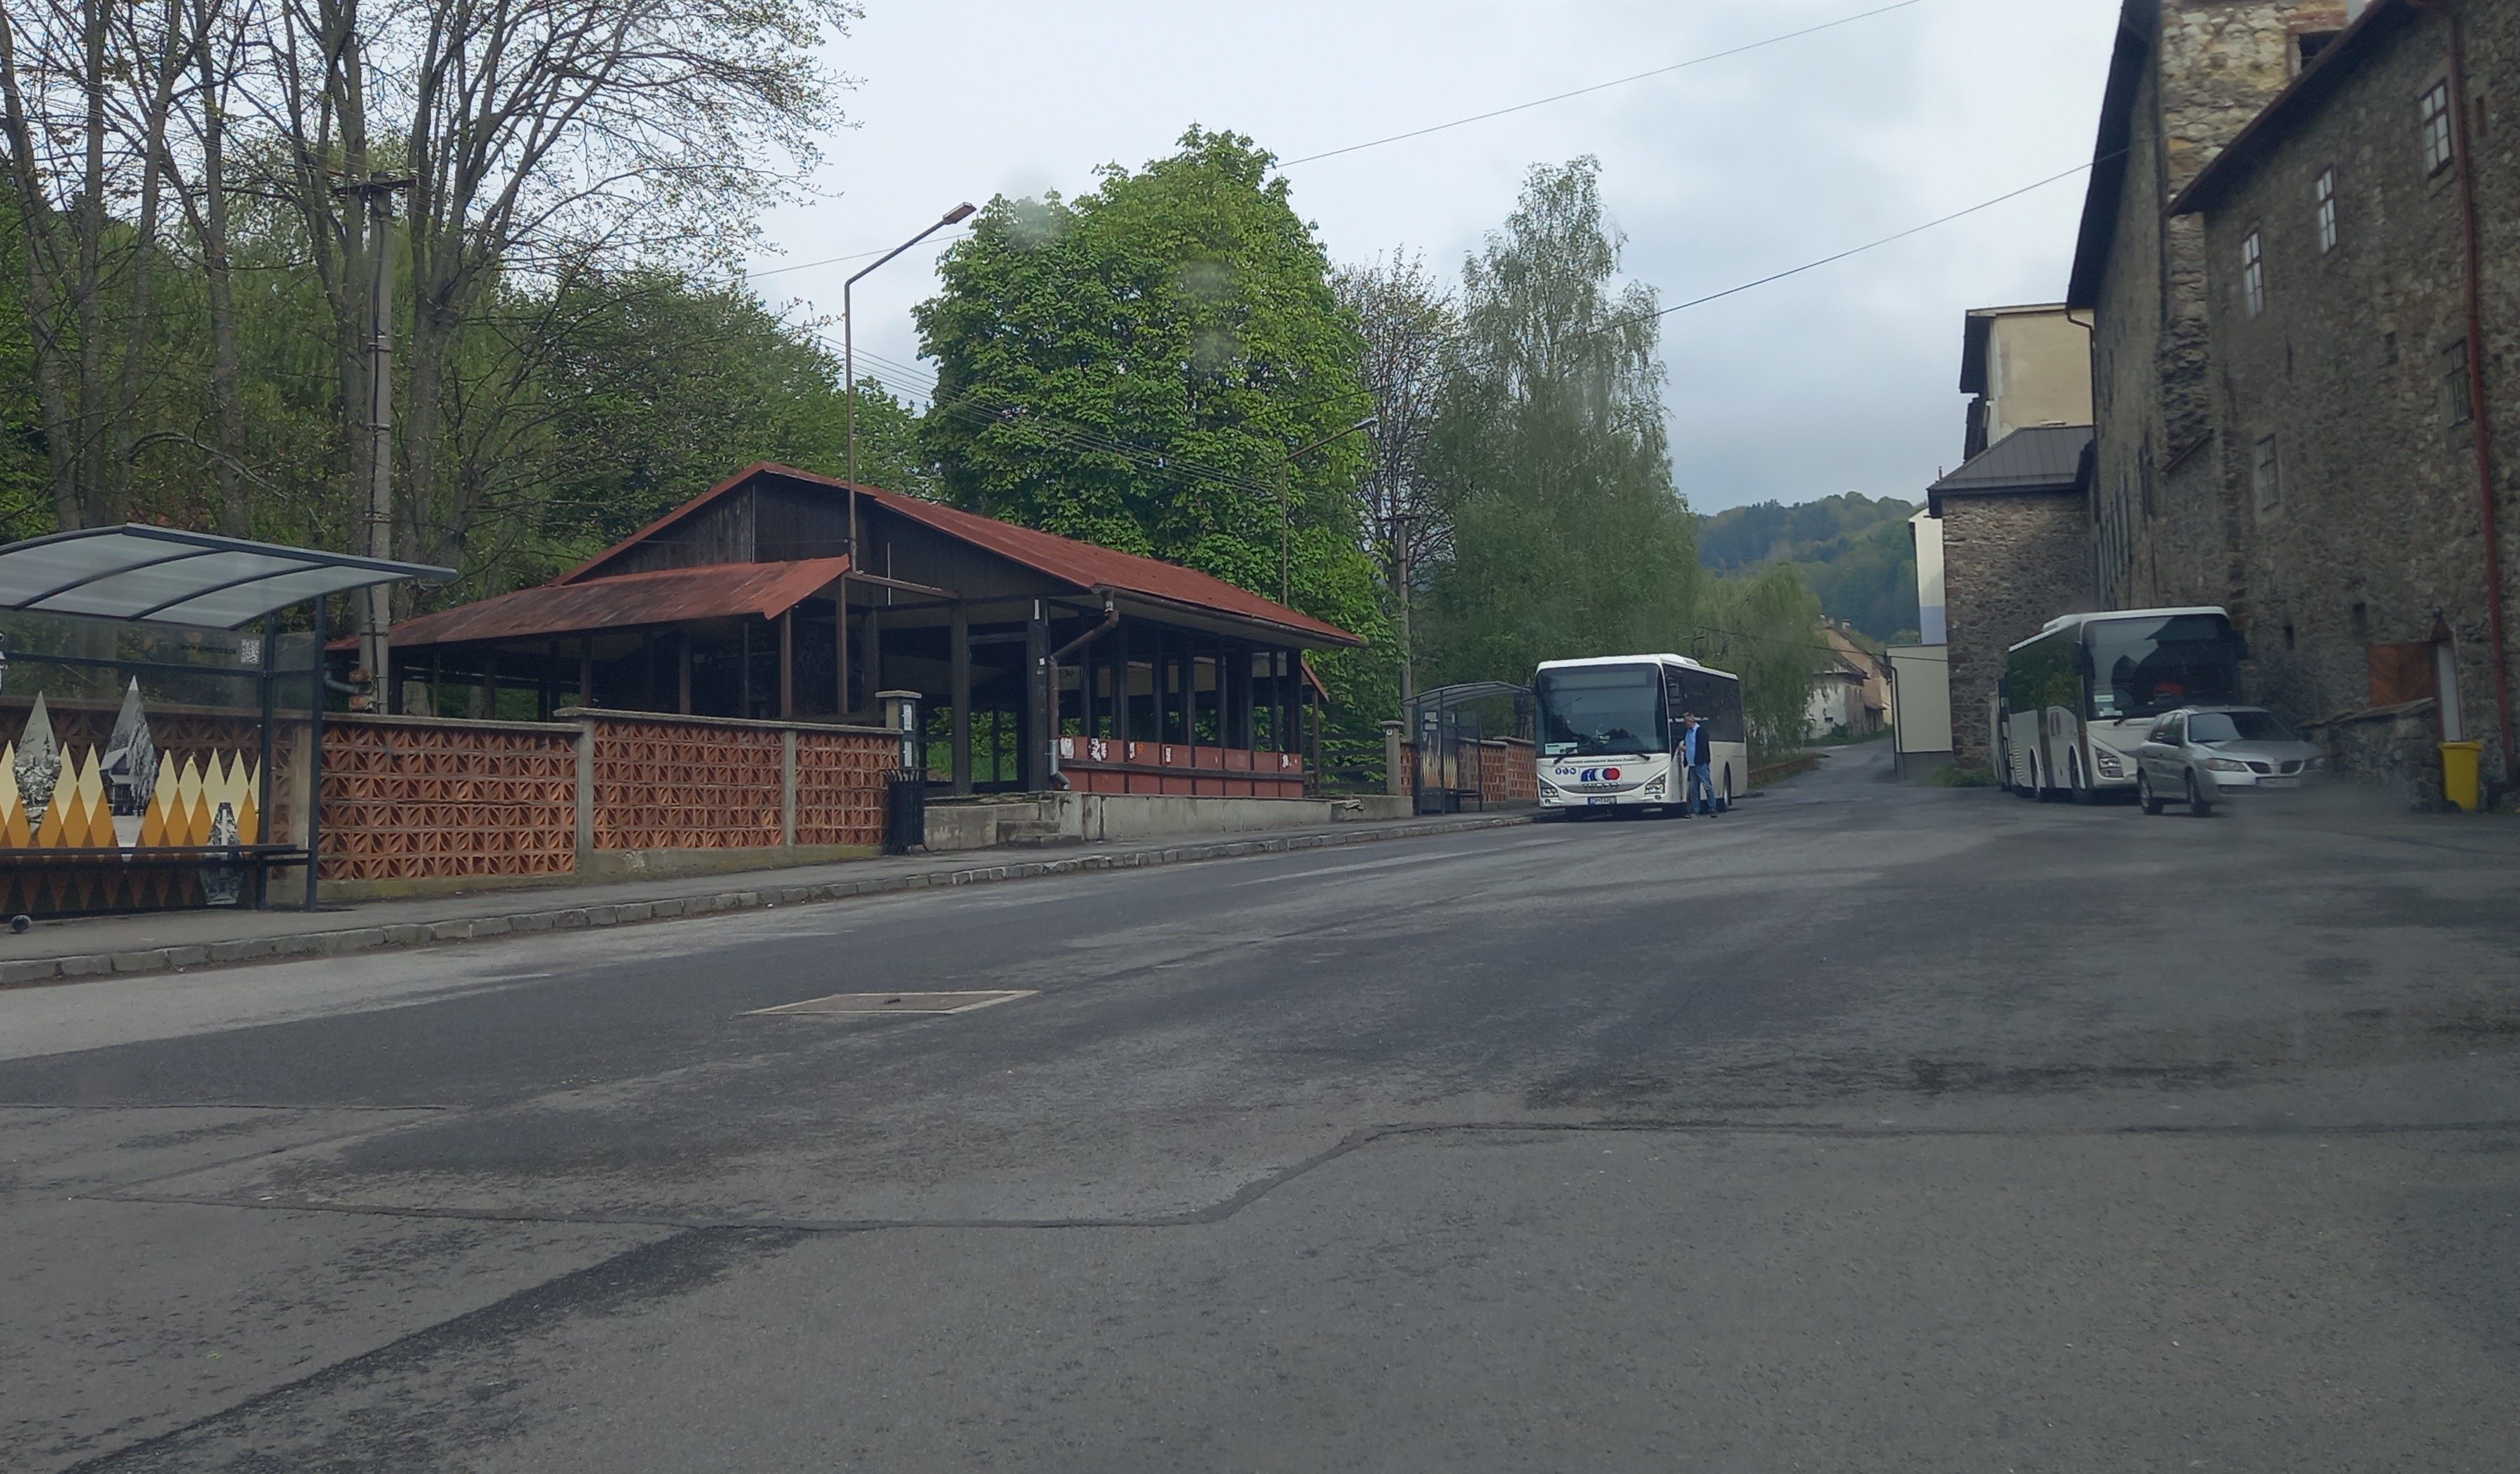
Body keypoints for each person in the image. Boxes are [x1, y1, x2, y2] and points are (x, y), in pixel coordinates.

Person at [1682, 713, 1717, 817]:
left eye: (1686, 722)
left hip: (1701, 763)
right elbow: (1688, 745)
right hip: (1692, 764)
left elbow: (1703, 747)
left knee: (1707, 786)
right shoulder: (1688, 733)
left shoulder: (1701, 731)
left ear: (1691, 722)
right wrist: (1684, 749)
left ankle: (1712, 807)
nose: (1685, 724)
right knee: (1694, 789)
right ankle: (1695, 810)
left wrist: (1704, 760)